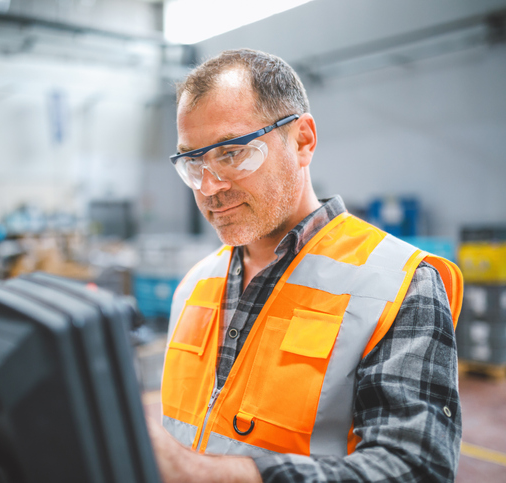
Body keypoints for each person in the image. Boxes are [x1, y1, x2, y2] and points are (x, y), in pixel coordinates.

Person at [147, 48, 464, 483]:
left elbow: (414, 469)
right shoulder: (195, 284)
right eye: (193, 161)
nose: (209, 186)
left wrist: (205, 474)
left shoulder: (397, 285)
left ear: (302, 140)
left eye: (232, 153)